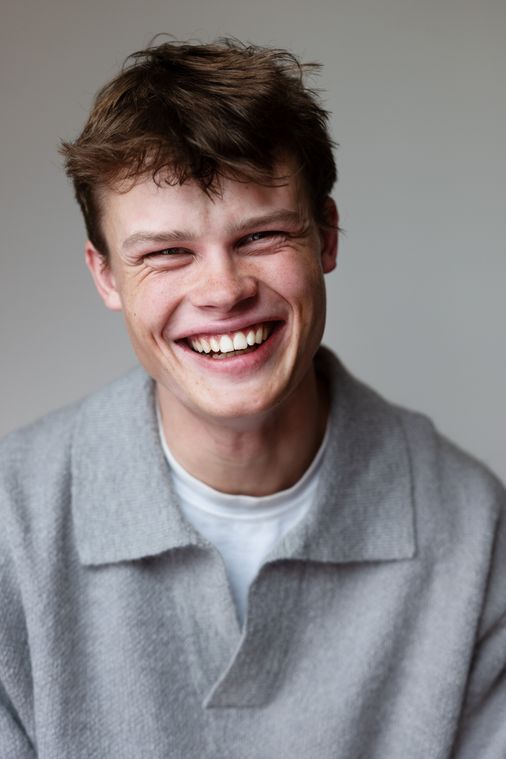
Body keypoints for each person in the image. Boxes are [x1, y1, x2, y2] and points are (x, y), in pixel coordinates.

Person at [0, 38, 505, 759]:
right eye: (166, 252)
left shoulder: (475, 526)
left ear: (326, 237)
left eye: (262, 235)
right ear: (106, 275)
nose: (223, 290)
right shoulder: (11, 527)